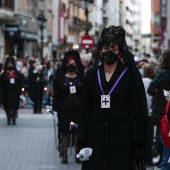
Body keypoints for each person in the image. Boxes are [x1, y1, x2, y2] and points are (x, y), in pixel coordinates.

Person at [76, 25, 150, 170]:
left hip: (122, 140)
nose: (109, 52)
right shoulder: (91, 75)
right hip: (95, 138)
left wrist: (137, 144)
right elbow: (85, 109)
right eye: (106, 48)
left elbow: (136, 111)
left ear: (120, 53)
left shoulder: (129, 75)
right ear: (99, 51)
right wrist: (81, 142)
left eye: (114, 49)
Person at [52, 50, 84, 164]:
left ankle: (77, 153)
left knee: (76, 132)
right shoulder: (60, 77)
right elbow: (56, 95)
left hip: (77, 109)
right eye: (69, 64)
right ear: (66, 65)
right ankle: (64, 154)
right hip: (64, 109)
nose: (71, 66)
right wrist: (54, 109)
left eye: (74, 64)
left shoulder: (81, 77)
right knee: (65, 132)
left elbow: (85, 93)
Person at [147, 49, 170, 170]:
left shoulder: (163, 73)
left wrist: (157, 90)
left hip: (162, 110)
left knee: (163, 137)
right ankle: (163, 161)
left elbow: (151, 87)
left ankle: (164, 163)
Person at [0, 56, 23, 125]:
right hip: (6, 92)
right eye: (9, 64)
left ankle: (13, 117)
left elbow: (20, 83)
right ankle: (8, 118)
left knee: (14, 106)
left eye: (11, 64)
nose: (10, 65)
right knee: (7, 106)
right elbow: (1, 84)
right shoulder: (3, 75)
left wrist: (20, 91)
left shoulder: (17, 74)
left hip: (15, 92)